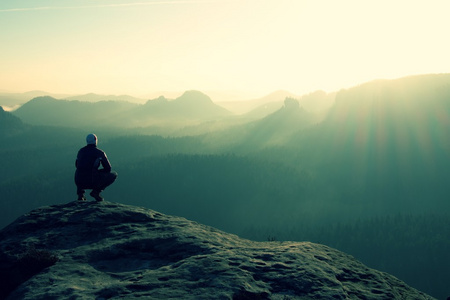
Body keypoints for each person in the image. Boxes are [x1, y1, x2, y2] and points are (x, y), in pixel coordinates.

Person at [75, 133, 117, 202]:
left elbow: (77, 165)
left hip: (78, 181)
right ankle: (96, 192)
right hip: (92, 181)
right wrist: (99, 172)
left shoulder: (81, 151)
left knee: (81, 171)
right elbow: (108, 168)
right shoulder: (99, 153)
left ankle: (80, 195)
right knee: (113, 175)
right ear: (96, 140)